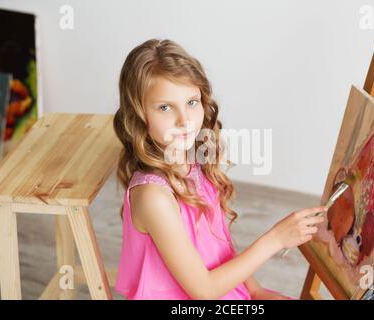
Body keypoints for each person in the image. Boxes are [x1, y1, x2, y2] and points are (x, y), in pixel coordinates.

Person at [113, 39, 326, 300]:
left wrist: (256, 290)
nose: (184, 119)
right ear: (138, 115)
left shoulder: (193, 162)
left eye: (192, 102)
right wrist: (275, 240)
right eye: (165, 107)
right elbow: (204, 291)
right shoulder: (153, 197)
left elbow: (218, 245)